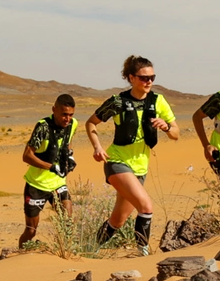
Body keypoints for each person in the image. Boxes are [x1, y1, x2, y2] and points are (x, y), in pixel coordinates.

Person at [85, 55, 179, 254]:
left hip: (140, 168)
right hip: (117, 162)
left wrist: (166, 127)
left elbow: (176, 134)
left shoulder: (158, 101)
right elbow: (91, 122)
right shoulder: (118, 102)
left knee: (118, 220)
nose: (149, 82)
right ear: (131, 78)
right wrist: (97, 147)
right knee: (145, 206)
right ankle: (143, 254)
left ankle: (88, 249)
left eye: (152, 77)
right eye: (144, 78)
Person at [19, 93, 78, 247]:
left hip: (58, 183)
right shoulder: (43, 127)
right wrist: (51, 167)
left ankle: (64, 254)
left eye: (71, 115)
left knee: (67, 222)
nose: (67, 119)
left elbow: (68, 142)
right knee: (31, 231)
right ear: (54, 110)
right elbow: (26, 156)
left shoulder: (73, 124)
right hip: (36, 185)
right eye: (64, 114)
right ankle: (19, 256)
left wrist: (70, 156)